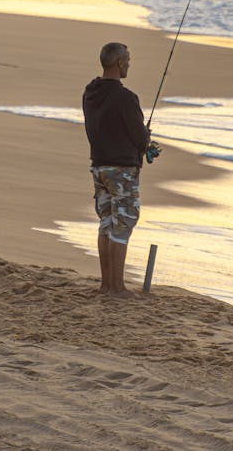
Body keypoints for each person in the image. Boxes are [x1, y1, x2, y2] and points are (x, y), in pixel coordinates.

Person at [82, 42, 150, 298]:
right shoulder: (126, 98)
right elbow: (139, 138)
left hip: (98, 166)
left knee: (106, 223)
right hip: (121, 169)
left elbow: (100, 127)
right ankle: (118, 288)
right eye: (128, 59)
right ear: (120, 63)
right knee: (122, 224)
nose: (130, 64)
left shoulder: (90, 93)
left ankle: (106, 285)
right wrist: (146, 140)